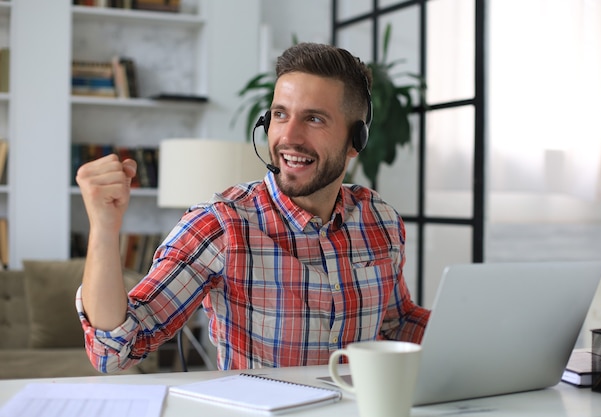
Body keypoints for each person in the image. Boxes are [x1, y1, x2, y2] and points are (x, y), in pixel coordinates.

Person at [75, 42, 431, 372]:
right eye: (280, 114)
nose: (288, 137)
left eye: (314, 118)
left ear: (355, 142)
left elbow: (396, 322)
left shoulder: (379, 220)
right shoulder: (220, 225)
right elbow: (112, 352)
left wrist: (474, 328)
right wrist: (104, 228)